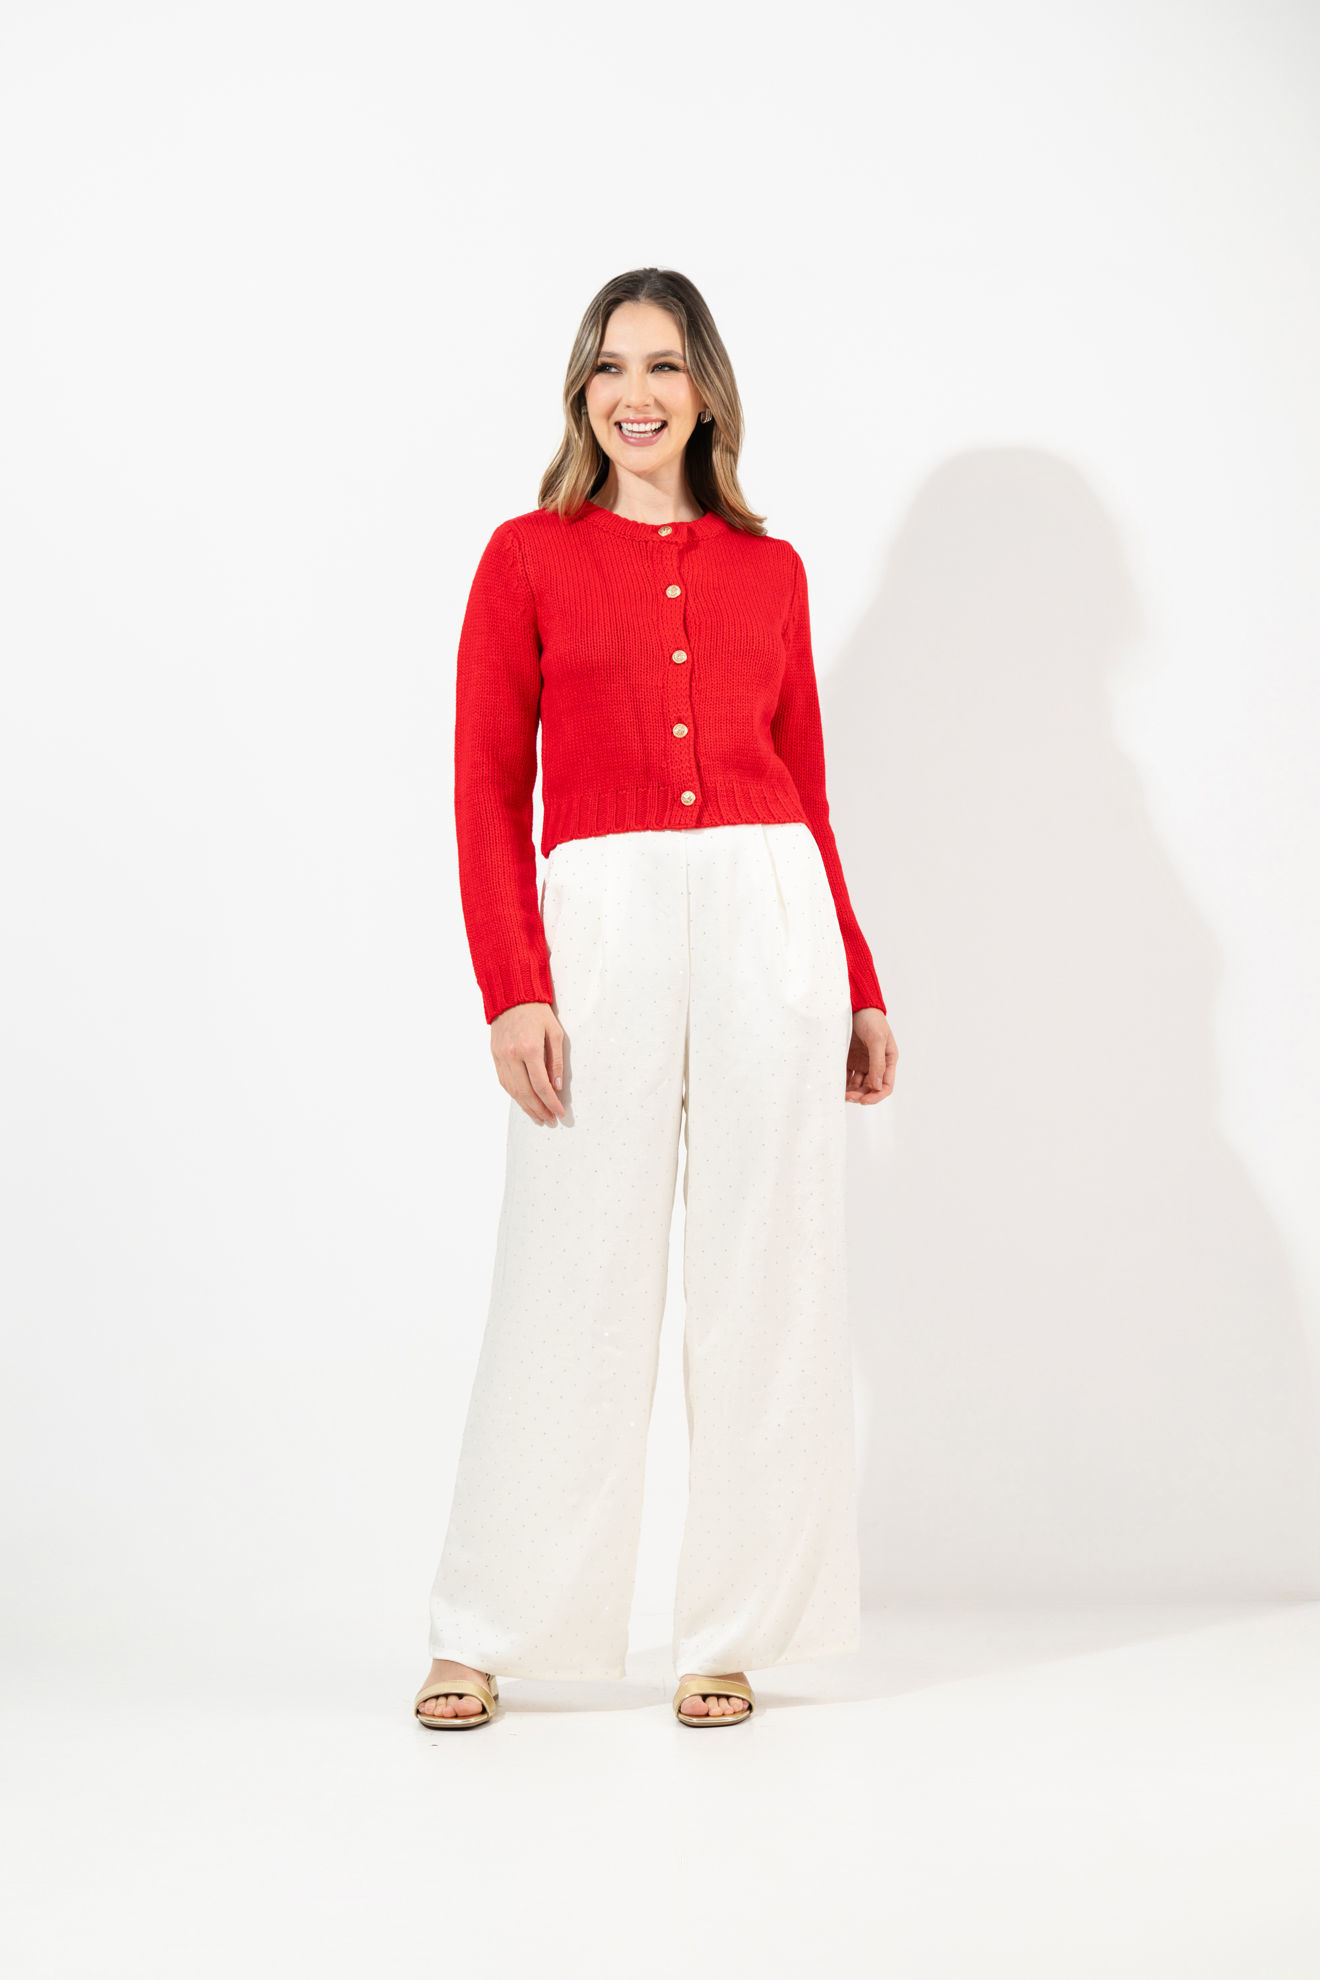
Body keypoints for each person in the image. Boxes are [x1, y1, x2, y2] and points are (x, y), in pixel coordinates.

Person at [415, 266, 897, 1733]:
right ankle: (488, 1626)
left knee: (769, 1276)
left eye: (665, 365)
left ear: (706, 393)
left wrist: (861, 980)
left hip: (769, 919)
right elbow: (485, 790)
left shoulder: (771, 570)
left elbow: (808, 792)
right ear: (582, 393)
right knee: (570, 1275)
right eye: (612, 366)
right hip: (602, 922)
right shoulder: (526, 559)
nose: (638, 393)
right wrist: (514, 984)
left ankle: (732, 1630)